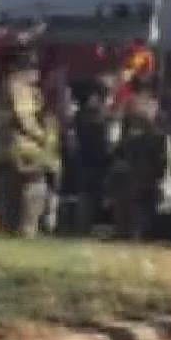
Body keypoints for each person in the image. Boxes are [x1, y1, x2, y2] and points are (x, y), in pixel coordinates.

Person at [0, 50, 60, 236]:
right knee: (35, 183)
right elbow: (24, 117)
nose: (37, 73)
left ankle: (7, 226)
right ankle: (27, 228)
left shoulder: (7, 86)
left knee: (9, 187)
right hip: (23, 147)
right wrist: (42, 136)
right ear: (24, 69)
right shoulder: (19, 87)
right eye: (33, 68)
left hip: (5, 146)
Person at [108, 80, 168, 240]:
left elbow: (117, 134)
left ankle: (127, 231)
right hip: (140, 162)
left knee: (130, 201)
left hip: (135, 161)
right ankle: (134, 232)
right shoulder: (146, 107)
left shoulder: (129, 104)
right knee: (137, 202)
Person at [69, 77, 116, 233]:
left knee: (86, 194)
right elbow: (106, 137)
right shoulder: (100, 115)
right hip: (97, 158)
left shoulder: (80, 114)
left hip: (83, 157)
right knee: (91, 194)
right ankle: (83, 226)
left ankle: (81, 226)